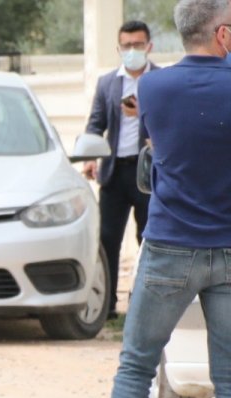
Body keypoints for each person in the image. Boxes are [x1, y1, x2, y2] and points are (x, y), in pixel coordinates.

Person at [78, 0, 231, 398]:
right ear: (223, 34)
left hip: (168, 246)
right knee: (229, 380)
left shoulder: (154, 90)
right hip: (229, 250)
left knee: (136, 366)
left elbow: (157, 150)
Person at [82, 20, 158, 319]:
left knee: (148, 238)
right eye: (126, 45)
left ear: (149, 47)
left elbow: (168, 124)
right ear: (118, 48)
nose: (132, 51)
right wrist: (89, 155)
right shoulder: (107, 83)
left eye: (138, 45)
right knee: (108, 238)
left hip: (148, 173)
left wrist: (143, 112)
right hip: (114, 172)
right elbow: (95, 123)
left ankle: (142, 305)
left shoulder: (161, 80)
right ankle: (108, 305)